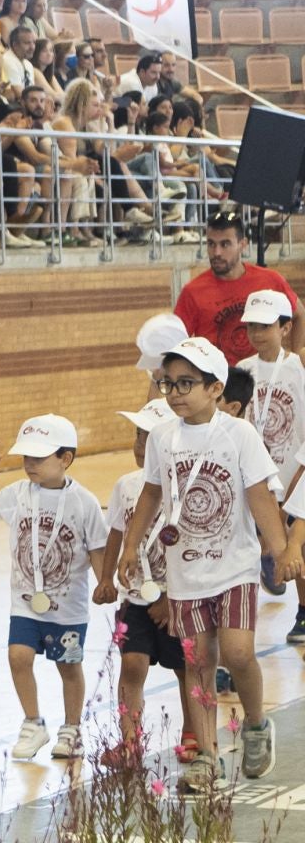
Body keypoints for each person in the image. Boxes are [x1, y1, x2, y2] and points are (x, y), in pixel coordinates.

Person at [120, 336, 284, 792]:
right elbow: (151, 493)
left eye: (186, 383)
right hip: (185, 573)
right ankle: (207, 755)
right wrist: (131, 547)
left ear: (215, 389)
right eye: (167, 383)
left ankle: (254, 724)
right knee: (198, 661)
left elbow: (259, 495)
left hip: (235, 568)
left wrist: (281, 548)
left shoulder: (239, 434)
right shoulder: (162, 437)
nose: (173, 393)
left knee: (237, 653)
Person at [0, 414, 104, 762]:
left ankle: (71, 729)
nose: (29, 464)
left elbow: (98, 548)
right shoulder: (18, 494)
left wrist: (105, 583)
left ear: (65, 459)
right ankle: (33, 723)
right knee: (18, 656)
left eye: (38, 458)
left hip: (68, 608)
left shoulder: (84, 502)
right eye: (26, 457)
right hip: (25, 602)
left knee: (69, 667)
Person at [92, 399, 201, 768]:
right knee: (132, 665)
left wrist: (171, 597)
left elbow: (193, 548)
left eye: (149, 438)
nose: (141, 446)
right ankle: (130, 741)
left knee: (185, 667)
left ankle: (194, 731)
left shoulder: (186, 490)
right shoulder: (125, 485)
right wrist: (106, 578)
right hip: (134, 598)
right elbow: (116, 535)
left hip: (177, 601)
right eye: (138, 437)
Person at [236, 288, 305, 634]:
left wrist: (298, 480)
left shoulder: (298, 367)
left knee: (299, 541)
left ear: (286, 327)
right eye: (251, 327)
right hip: (255, 478)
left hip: (293, 473)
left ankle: (303, 611)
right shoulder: (241, 371)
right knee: (248, 543)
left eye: (265, 326)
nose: (257, 334)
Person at [175, 209, 300, 363]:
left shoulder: (270, 280)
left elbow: (300, 315)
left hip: (265, 381)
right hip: (220, 383)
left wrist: (297, 364)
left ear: (243, 245)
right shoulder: (192, 292)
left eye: (225, 244)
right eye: (211, 244)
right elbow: (176, 344)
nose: (217, 252)